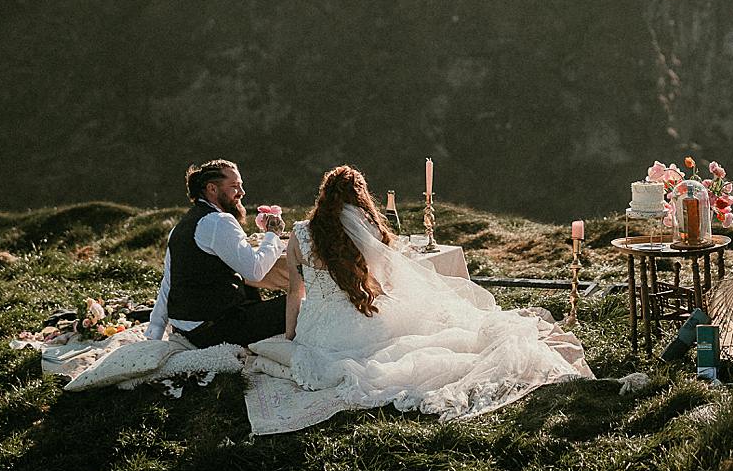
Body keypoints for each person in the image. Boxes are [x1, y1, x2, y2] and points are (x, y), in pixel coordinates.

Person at [277, 165, 589, 421]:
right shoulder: (366, 231)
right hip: (360, 321)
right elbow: (386, 283)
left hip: (317, 332)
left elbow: (295, 291)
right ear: (359, 198)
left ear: (323, 197)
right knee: (423, 336)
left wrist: (291, 334)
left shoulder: (300, 234)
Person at [145, 159, 287, 348]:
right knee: (297, 306)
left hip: (187, 330)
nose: (242, 193)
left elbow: (168, 283)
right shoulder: (219, 221)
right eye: (234, 186)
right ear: (212, 189)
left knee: (250, 289)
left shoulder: (182, 225)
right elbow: (255, 271)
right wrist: (273, 235)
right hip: (213, 330)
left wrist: (155, 333)